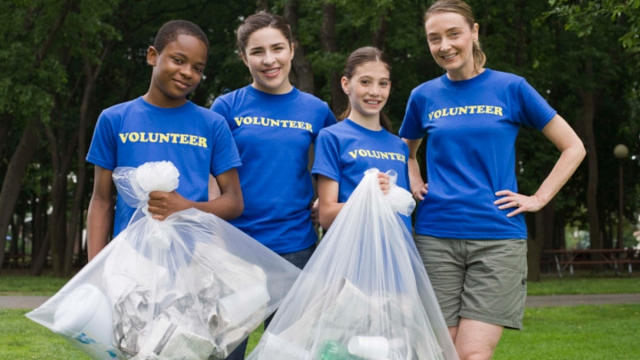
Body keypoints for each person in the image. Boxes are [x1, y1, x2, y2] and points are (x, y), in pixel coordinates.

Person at [399, 1, 586, 359]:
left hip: (497, 237)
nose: (444, 46)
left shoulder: (511, 88)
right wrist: (414, 174)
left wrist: (538, 198)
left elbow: (573, 147)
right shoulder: (423, 96)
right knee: (437, 352)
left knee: (472, 354)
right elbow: (405, 150)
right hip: (436, 235)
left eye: (454, 34)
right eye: (434, 38)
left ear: (474, 32)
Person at [209, 11, 336, 360]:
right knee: (225, 352)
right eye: (257, 52)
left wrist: (323, 201)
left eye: (277, 48)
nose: (269, 60)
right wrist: (213, 238)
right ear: (244, 57)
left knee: (287, 354)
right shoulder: (225, 106)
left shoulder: (317, 110)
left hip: (295, 249)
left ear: (292, 49)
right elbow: (210, 177)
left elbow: (335, 166)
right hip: (234, 249)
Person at [86, 20, 244, 261]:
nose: (187, 72)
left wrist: (187, 207)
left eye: (198, 68)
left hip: (193, 262)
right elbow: (101, 200)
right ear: (152, 56)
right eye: (178, 60)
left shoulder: (212, 125)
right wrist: (94, 270)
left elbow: (234, 202)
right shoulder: (114, 119)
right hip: (129, 262)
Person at [312, 46, 411, 232]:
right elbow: (326, 216)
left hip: (397, 256)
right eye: (365, 82)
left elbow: (403, 212)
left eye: (382, 83)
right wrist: (368, 195)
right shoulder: (332, 137)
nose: (375, 92)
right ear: (345, 84)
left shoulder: (399, 145)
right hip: (354, 256)